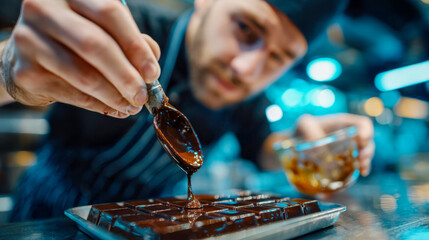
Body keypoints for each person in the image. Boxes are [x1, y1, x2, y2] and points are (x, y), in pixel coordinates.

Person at [0, 0, 374, 221]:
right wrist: (10, 69)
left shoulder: (246, 100)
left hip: (146, 226)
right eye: (245, 28)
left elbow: (268, 147)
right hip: (47, 216)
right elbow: (23, 63)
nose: (246, 70)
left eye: (278, 57)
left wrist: (300, 145)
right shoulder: (128, 31)